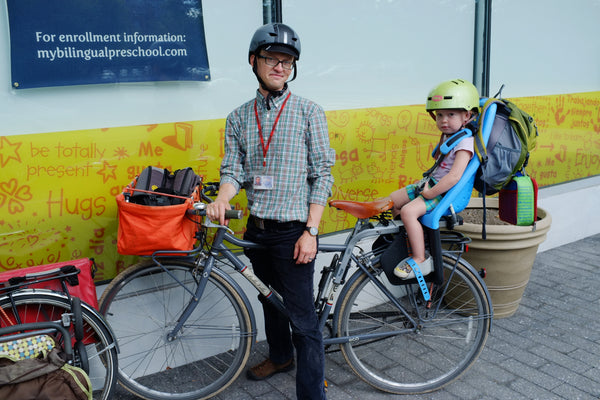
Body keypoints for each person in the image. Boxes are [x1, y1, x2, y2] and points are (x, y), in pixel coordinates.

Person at [206, 23, 334, 400]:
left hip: (294, 231)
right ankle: (280, 357)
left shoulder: (309, 112)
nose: (280, 66)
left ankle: (312, 395)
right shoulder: (238, 117)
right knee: (268, 299)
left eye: (288, 61)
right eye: (272, 58)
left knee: (303, 319)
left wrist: (311, 230)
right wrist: (224, 198)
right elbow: (233, 171)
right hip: (257, 230)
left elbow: (322, 174)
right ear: (254, 60)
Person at [387, 79, 478, 279]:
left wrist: (429, 193)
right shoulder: (449, 136)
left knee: (409, 212)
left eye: (451, 114)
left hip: (443, 191)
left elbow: (454, 177)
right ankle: (408, 239)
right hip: (431, 184)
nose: (444, 120)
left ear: (467, 115)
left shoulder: (465, 142)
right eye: (439, 115)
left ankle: (420, 258)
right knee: (391, 201)